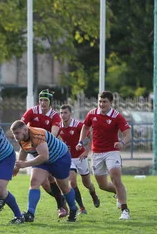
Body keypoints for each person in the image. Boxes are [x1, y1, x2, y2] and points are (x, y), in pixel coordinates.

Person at [76, 90, 131, 220]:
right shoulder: (92, 114)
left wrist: (122, 142)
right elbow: (85, 128)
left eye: (104, 101)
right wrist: (80, 142)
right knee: (102, 185)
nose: (101, 104)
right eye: (100, 101)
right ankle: (119, 192)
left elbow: (128, 134)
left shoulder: (117, 116)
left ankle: (124, 210)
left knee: (115, 178)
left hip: (112, 151)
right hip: (96, 153)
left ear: (111, 102)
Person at [10, 120, 78, 222]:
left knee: (64, 187)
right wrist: (17, 168)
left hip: (60, 158)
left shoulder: (37, 135)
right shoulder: (22, 137)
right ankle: (30, 213)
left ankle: (73, 208)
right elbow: (23, 150)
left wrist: (25, 164)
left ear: (25, 130)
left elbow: (44, 156)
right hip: (43, 160)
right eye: (14, 133)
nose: (15, 136)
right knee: (34, 182)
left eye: (17, 133)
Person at [21, 89, 69, 218]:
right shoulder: (32, 111)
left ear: (50, 102)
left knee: (49, 179)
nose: (43, 103)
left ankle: (62, 205)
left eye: (46, 100)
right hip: (36, 150)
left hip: (51, 150)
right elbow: (21, 125)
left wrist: (41, 142)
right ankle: (62, 201)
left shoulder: (55, 116)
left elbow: (53, 135)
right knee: (44, 184)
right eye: (41, 99)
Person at [58, 104, 100, 214]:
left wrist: (87, 151)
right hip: (68, 159)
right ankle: (81, 207)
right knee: (72, 182)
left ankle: (93, 193)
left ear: (70, 113)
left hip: (81, 158)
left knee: (87, 184)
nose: (63, 115)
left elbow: (92, 137)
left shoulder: (78, 125)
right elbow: (55, 138)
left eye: (65, 112)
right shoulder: (58, 126)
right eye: (61, 113)